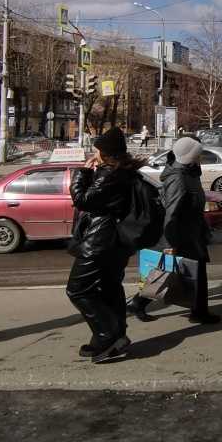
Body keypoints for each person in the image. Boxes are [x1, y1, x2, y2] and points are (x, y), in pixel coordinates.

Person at [67, 127, 143, 363]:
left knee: (78, 289)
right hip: (116, 241)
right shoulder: (123, 172)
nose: (95, 154)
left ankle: (106, 335)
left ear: (106, 153)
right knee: (110, 287)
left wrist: (82, 172)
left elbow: (82, 200)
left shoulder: (110, 174)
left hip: (100, 240)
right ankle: (116, 334)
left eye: (97, 150)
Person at [129, 138, 219, 324]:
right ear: (190, 156)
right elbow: (171, 212)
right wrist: (169, 243)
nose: (201, 157)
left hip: (192, 231)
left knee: (179, 271)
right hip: (182, 234)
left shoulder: (190, 172)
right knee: (171, 271)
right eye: (198, 154)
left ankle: (140, 303)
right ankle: (198, 312)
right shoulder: (178, 178)